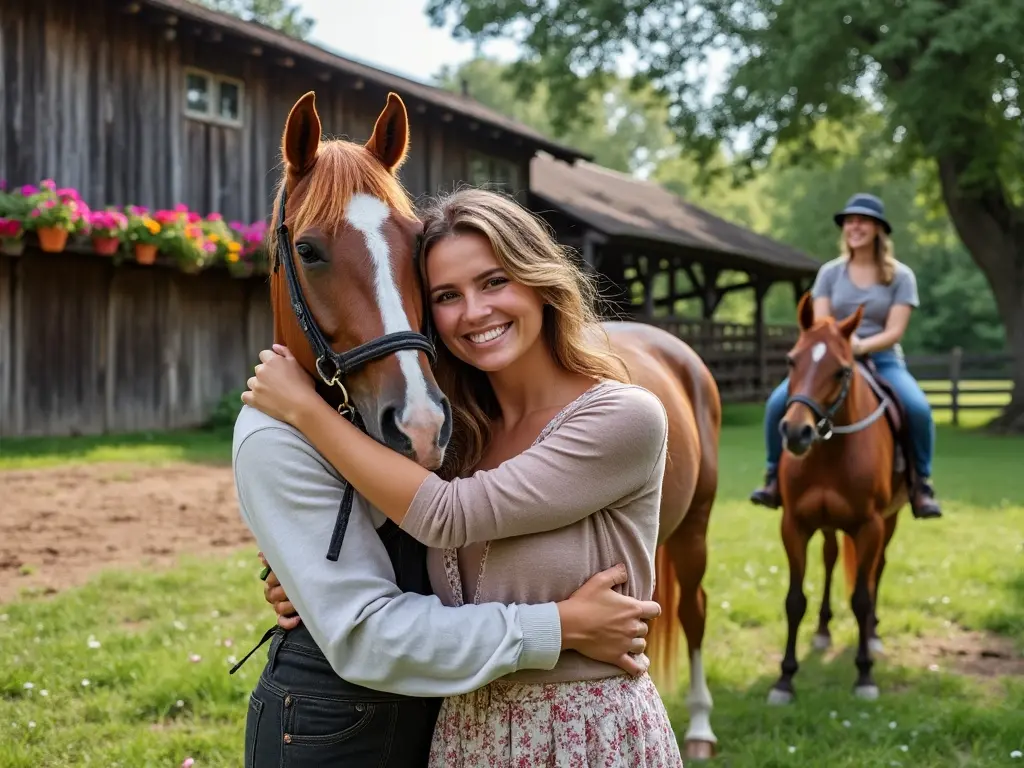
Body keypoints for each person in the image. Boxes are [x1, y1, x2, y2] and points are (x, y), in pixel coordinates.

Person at [246, 188, 684, 766]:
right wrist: (306, 576)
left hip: (584, 731)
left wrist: (304, 409)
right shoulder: (458, 437)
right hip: (464, 733)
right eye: (447, 296)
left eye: (494, 281)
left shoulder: (624, 417)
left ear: (539, 279)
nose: (474, 312)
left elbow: (447, 516)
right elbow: (387, 522)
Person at [749, 192, 942, 519]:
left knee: (918, 408)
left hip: (882, 359)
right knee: (776, 403)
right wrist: (840, 349)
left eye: (863, 221)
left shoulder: (901, 276)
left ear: (879, 229)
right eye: (850, 221)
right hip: (830, 361)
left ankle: (921, 484)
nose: (855, 227)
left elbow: (895, 330)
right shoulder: (830, 273)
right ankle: (772, 477)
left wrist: (861, 347)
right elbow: (822, 322)